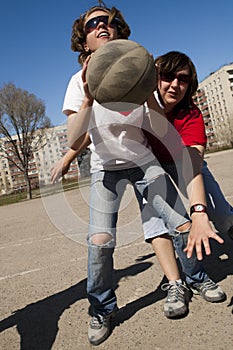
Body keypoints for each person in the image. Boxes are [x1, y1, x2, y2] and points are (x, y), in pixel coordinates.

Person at [57, 2, 223, 345]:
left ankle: (194, 277)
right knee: (100, 241)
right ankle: (101, 307)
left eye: (109, 22)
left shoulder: (138, 71)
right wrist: (88, 100)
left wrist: (148, 93)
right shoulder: (77, 82)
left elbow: (159, 125)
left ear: (119, 31)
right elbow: (75, 138)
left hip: (143, 162)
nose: (103, 25)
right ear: (84, 41)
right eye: (94, 24)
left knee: (180, 222)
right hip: (106, 168)